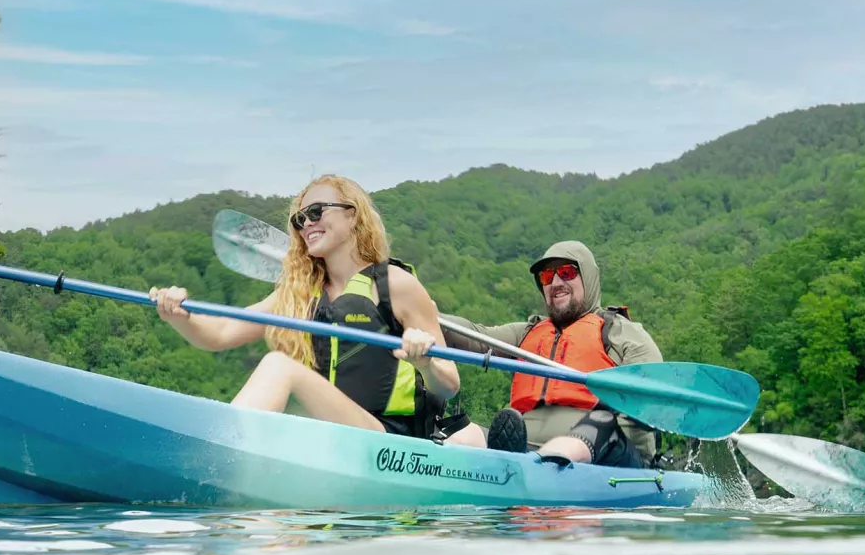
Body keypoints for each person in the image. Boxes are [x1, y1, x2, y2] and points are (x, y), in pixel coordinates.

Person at [150, 175, 461, 436]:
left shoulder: (396, 285)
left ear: (352, 215)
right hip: (327, 433)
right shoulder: (300, 292)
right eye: (299, 220)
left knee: (279, 366)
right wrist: (178, 315)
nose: (306, 224)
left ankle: (221, 450)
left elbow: (449, 384)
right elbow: (220, 333)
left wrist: (425, 363)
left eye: (316, 212)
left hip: (388, 440)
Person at [441, 241, 661, 467]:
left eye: (567, 273)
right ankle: (449, 466)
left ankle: (539, 463)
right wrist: (420, 315)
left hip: (607, 452)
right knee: (467, 435)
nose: (556, 283)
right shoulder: (527, 333)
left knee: (601, 420)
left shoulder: (618, 331)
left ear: (589, 278)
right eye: (547, 277)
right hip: (528, 447)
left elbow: (654, 390)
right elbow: (473, 335)